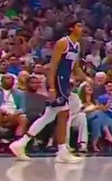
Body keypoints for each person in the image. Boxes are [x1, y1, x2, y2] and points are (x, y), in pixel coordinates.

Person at [9, 21, 88, 163]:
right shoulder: (63, 43)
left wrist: (87, 78)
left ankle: (21, 143)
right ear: (70, 28)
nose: (81, 28)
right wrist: (51, 87)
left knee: (49, 116)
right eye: (78, 26)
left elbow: (75, 67)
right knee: (63, 114)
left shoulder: (77, 45)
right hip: (57, 81)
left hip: (64, 82)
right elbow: (52, 67)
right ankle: (62, 151)